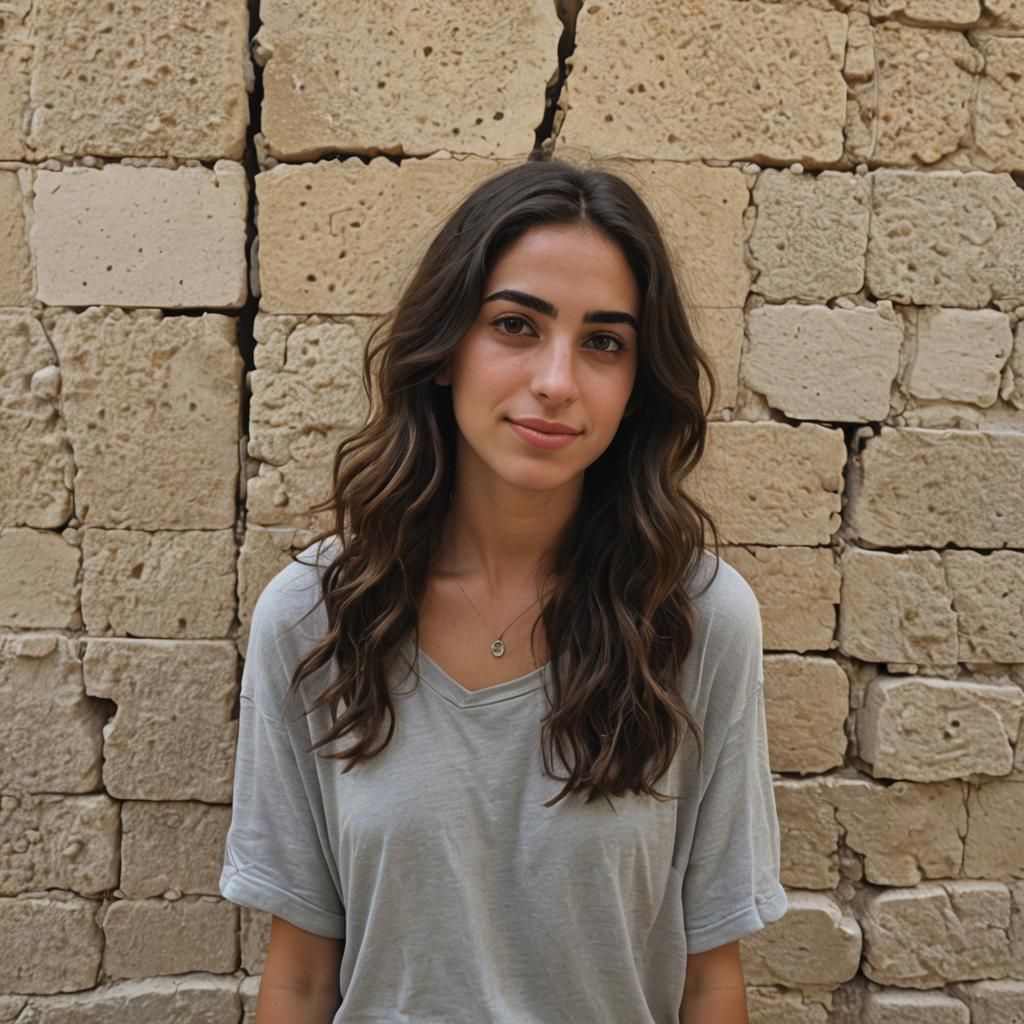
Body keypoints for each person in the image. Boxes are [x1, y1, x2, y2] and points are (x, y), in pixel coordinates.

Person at [219, 156, 788, 1023]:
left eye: (604, 342)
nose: (556, 380)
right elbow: (299, 976)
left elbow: (710, 975)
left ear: (637, 386)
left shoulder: (696, 621)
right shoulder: (316, 618)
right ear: (446, 349)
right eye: (516, 325)